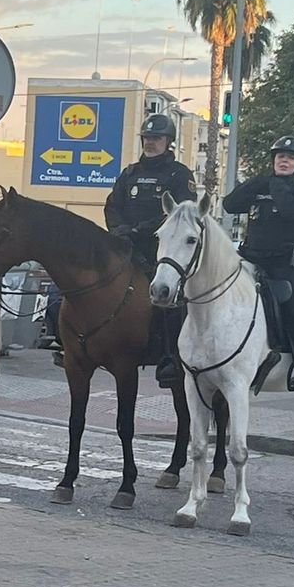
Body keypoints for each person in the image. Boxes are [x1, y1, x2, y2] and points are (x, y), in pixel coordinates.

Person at [105, 113, 197, 387]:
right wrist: (119, 229)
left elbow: (182, 215)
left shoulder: (179, 175)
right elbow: (112, 205)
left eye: (156, 139)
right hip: (126, 248)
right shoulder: (130, 173)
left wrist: (140, 229)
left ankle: (170, 357)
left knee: (168, 302)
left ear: (168, 142)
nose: (150, 143)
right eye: (147, 138)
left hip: (163, 251)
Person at [223, 134, 294, 391]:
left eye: (290, 158)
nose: (284, 161)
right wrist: (255, 183)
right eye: (279, 157)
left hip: (284, 265)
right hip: (251, 259)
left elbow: (289, 210)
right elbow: (230, 205)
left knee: (292, 306)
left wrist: (276, 185)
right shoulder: (261, 186)